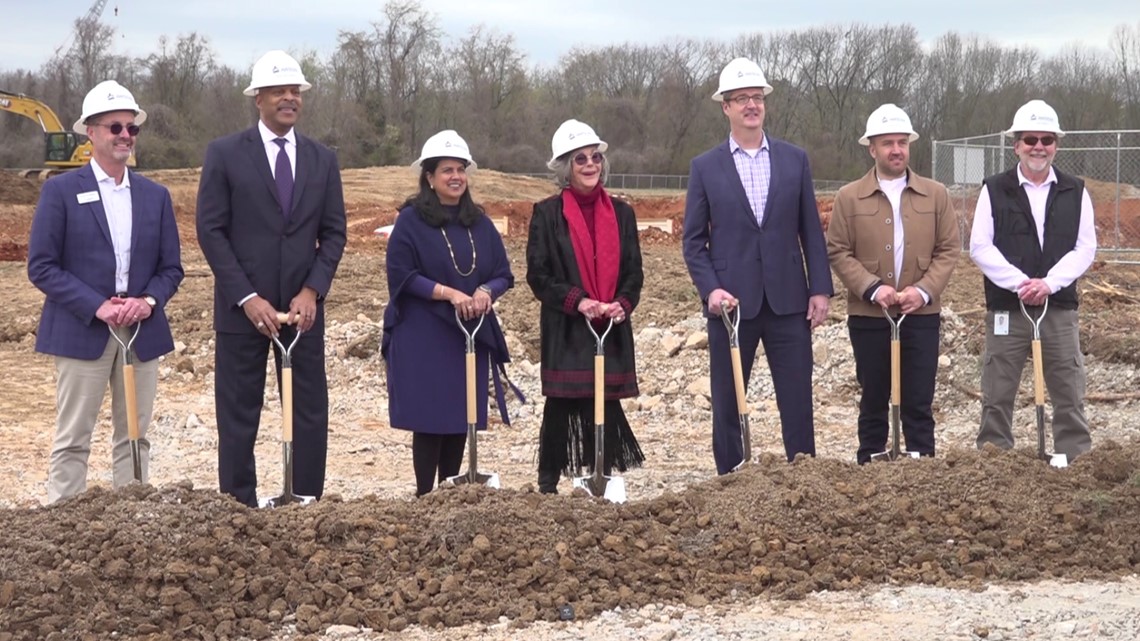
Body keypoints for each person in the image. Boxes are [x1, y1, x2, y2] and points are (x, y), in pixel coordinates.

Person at [196, 50, 347, 507]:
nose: (289, 98)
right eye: (279, 91)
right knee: (238, 415)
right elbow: (211, 230)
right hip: (243, 312)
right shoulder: (225, 154)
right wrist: (246, 296)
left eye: (295, 91)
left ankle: (304, 502)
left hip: (302, 313)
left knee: (308, 413)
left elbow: (334, 232)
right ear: (257, 98)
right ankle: (238, 506)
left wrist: (312, 290)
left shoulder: (322, 159)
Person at [28, 80, 183, 503]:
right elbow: (41, 266)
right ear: (91, 132)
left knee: (135, 436)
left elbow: (172, 268)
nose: (125, 136)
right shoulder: (60, 191)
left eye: (132, 128)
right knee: (73, 437)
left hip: (140, 332)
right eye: (115, 127)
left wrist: (147, 301)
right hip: (82, 330)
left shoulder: (155, 196)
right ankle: (63, 520)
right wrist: (97, 306)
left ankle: (131, 518)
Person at [682, 57, 833, 474]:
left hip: (789, 301)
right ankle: (730, 478)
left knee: (797, 398)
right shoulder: (705, 167)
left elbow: (811, 230)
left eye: (757, 97)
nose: (752, 104)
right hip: (731, 305)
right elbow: (693, 242)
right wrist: (711, 289)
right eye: (741, 98)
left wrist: (819, 288)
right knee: (728, 400)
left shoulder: (794, 160)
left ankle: (803, 475)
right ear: (726, 107)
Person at [382, 130, 516, 497]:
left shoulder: (480, 223)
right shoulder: (410, 221)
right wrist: (449, 293)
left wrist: (486, 291)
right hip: (423, 333)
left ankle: (451, 491)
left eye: (461, 169)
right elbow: (401, 274)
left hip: (467, 334)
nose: (456, 177)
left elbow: (503, 274)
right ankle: (426, 495)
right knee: (430, 418)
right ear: (429, 177)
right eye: (447, 170)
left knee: (461, 415)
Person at [826, 104, 959, 463]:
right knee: (873, 397)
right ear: (872, 148)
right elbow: (837, 250)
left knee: (918, 399)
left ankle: (921, 464)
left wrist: (924, 290)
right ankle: (871, 464)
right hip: (869, 316)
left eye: (902, 142)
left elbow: (948, 249)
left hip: (921, 315)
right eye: (887, 143)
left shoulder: (936, 195)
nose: (896, 150)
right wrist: (871, 288)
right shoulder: (849, 197)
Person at [969, 99, 1096, 460]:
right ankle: (995, 460)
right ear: (1016, 145)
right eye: (1030, 139)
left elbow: (1085, 247)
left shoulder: (1075, 190)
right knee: (997, 391)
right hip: (1008, 308)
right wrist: (1021, 283)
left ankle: (1075, 460)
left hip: (1058, 307)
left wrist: (1050, 283)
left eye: (1047, 139)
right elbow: (980, 246)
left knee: (1068, 390)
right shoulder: (994, 189)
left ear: (1056, 145)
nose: (1039, 147)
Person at [526, 119, 645, 494]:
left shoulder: (622, 214)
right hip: (567, 327)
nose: (591, 164)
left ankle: (601, 480)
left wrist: (622, 303)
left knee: (604, 404)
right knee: (560, 406)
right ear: (566, 167)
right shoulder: (547, 214)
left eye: (595, 157)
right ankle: (548, 487)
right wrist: (578, 301)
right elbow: (538, 275)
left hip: (609, 327)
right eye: (581, 159)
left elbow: (633, 272)